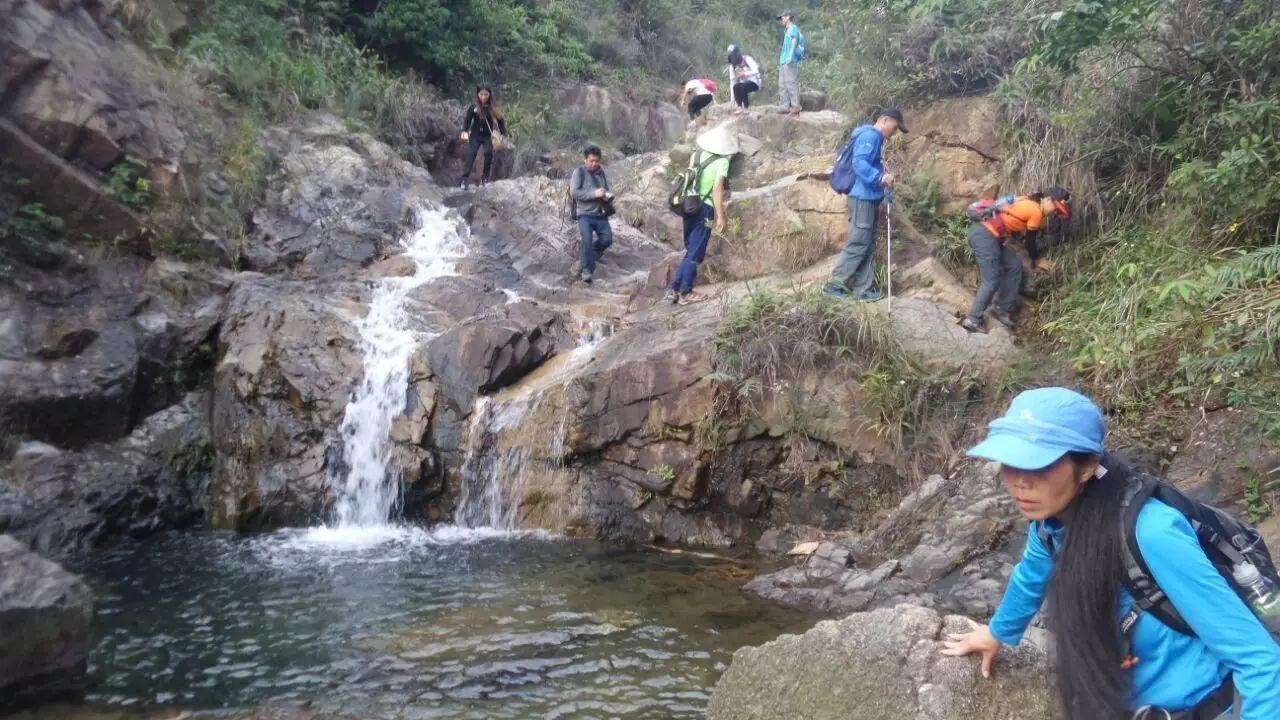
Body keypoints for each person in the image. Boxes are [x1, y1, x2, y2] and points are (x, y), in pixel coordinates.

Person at [942, 387, 1280, 720]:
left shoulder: (1150, 532)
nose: (1019, 482)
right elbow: (1030, 577)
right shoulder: (1052, 525)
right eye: (1011, 463)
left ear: (1087, 466)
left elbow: (1260, 661)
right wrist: (997, 633)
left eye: (1038, 466)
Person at [960, 187, 1070, 333]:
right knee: (990, 280)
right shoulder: (1036, 211)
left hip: (989, 236)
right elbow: (1030, 242)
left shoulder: (1027, 200)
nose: (1055, 213)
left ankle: (1001, 308)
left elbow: (1016, 229)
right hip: (984, 236)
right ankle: (973, 320)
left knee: (1014, 265)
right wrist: (1036, 260)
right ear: (1049, 200)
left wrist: (1031, 260)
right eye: (1057, 208)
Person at [825, 109, 907, 301]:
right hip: (861, 198)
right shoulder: (870, 135)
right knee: (859, 242)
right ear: (884, 120)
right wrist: (880, 177)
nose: (894, 133)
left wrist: (882, 188)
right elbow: (859, 163)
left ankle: (862, 288)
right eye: (894, 128)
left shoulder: (873, 137)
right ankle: (833, 286)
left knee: (867, 244)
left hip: (867, 198)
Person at [665, 126, 736, 306]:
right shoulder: (722, 162)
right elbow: (717, 189)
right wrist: (721, 216)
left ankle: (674, 288)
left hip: (689, 206)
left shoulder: (696, 155)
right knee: (695, 252)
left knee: (690, 249)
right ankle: (685, 292)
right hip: (705, 208)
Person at [568, 145, 614, 284]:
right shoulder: (579, 172)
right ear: (585, 160)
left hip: (600, 214)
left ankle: (587, 257)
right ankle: (586, 271)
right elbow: (574, 192)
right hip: (585, 215)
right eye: (591, 161)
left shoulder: (601, 172)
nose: (594, 164)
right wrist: (594, 194)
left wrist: (606, 195)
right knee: (587, 241)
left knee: (607, 239)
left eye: (596, 161)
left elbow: (605, 188)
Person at [458, 86, 508, 189]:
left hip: (487, 136)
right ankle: (464, 179)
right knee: (471, 154)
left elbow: (500, 121)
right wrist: (464, 131)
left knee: (488, 153)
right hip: (475, 135)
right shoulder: (473, 107)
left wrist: (503, 134)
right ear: (477, 94)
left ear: (489, 95)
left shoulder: (493, 107)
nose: (483, 97)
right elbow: (467, 120)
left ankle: (485, 178)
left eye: (486, 94)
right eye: (481, 94)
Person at [776, 10, 802, 116]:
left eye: (782, 18)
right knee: (782, 84)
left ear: (788, 17)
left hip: (789, 60)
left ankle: (796, 106)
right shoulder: (786, 30)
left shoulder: (793, 28)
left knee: (791, 83)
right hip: (783, 61)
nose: (781, 20)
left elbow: (794, 42)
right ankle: (784, 106)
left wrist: (790, 56)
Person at [727, 44, 762, 114]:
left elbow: (756, 71)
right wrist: (732, 99)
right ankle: (739, 107)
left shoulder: (747, 59)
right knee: (736, 87)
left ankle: (746, 108)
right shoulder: (732, 67)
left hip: (755, 82)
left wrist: (744, 74)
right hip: (744, 83)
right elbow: (732, 82)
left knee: (743, 86)